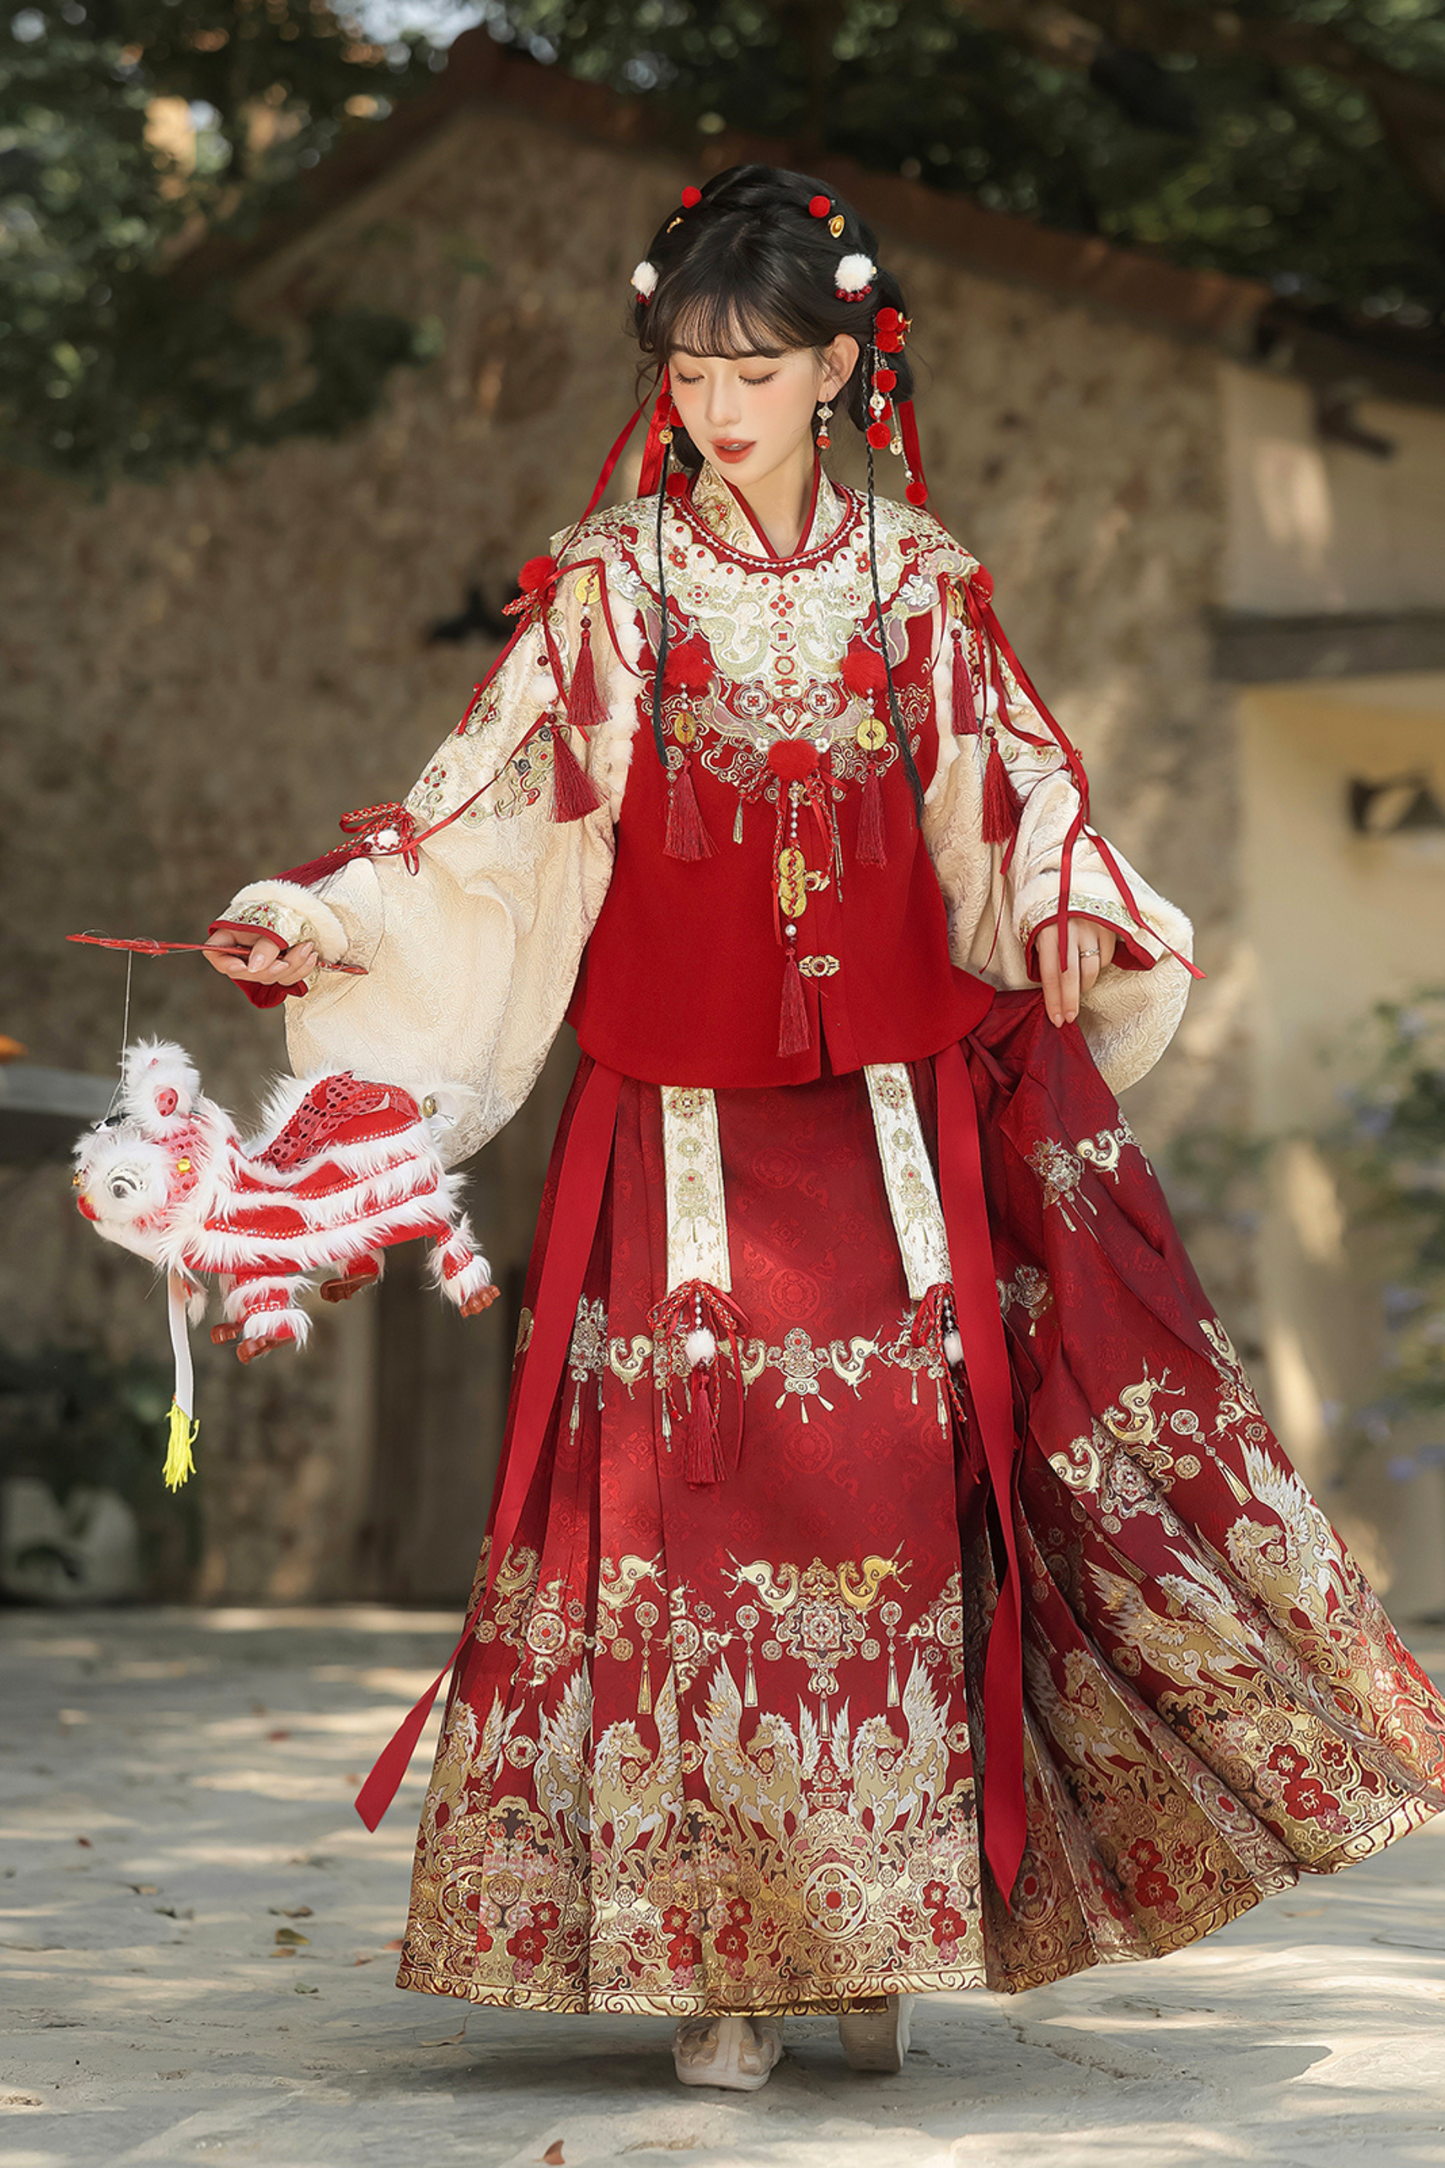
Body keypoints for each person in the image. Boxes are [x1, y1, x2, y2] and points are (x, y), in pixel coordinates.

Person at [205, 164, 1445, 2092]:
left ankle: (878, 1931)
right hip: (680, 1138)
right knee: (692, 1528)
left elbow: (1011, 801)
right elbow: (487, 824)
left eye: (758, 361)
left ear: (839, 369)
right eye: (691, 363)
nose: (719, 397)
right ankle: (722, 1962)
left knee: (894, 1517)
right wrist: (327, 918)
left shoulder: (917, 584)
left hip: (888, 1134)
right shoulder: (606, 585)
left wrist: (1073, 898)